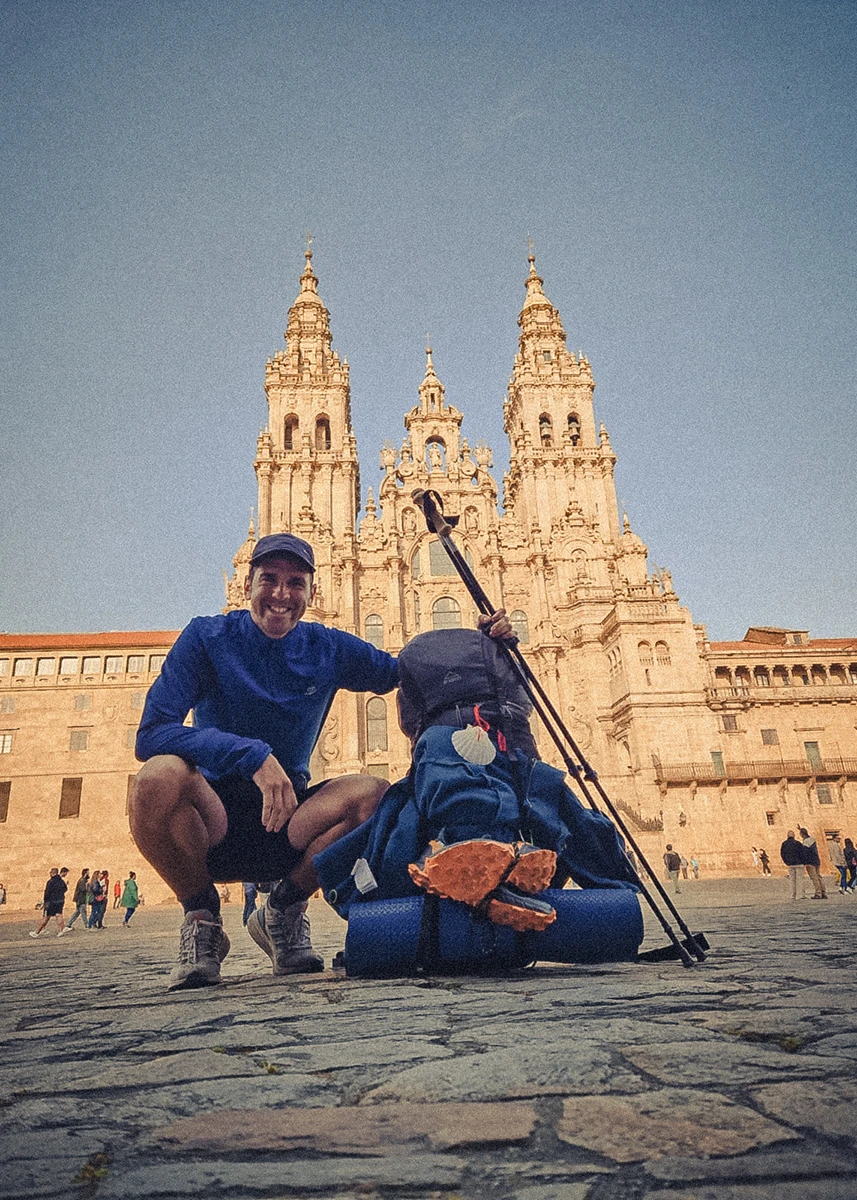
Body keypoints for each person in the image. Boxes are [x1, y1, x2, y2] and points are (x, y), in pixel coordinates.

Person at [130, 533, 512, 991]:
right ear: (247, 583)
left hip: (290, 816)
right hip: (210, 817)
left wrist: (484, 644)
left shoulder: (327, 647)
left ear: (311, 592)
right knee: (156, 777)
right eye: (268, 580)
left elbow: (406, 673)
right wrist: (253, 755)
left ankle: (283, 910)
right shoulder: (207, 637)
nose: (281, 595)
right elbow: (152, 732)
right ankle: (202, 919)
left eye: (296, 583)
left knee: (371, 794)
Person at [313, 628, 637, 928]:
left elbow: (408, 720)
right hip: (522, 815)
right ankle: (496, 864)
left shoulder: (434, 740)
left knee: (422, 801)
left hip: (438, 828)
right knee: (550, 805)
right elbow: (524, 705)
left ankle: (468, 859)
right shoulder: (519, 758)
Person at [30, 867, 69, 937]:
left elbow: (47, 893)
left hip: (51, 902)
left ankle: (37, 932)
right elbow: (65, 889)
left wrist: (45, 902)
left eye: (50, 873)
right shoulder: (61, 881)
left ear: (53, 873)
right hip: (60, 901)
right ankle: (60, 931)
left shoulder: (50, 882)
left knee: (46, 917)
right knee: (59, 915)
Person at [798, 827, 827, 899]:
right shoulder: (812, 839)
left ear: (802, 834)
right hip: (816, 860)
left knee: (814, 878)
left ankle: (818, 893)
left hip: (810, 862)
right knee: (818, 876)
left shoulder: (806, 842)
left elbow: (805, 853)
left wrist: (804, 862)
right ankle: (823, 892)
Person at [780, 830, 806, 901]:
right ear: (794, 836)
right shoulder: (798, 843)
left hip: (790, 864)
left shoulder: (784, 844)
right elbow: (803, 853)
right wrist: (803, 862)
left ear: (787, 836)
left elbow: (782, 854)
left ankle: (793, 895)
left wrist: (786, 862)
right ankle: (802, 895)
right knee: (800, 879)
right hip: (799, 863)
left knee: (792, 880)